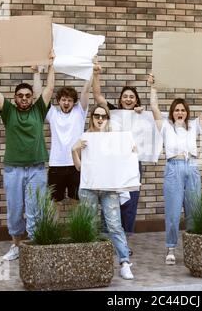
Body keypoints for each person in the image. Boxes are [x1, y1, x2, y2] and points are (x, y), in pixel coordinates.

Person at [0, 51, 55, 261]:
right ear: (15, 98)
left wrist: (51, 65)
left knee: (35, 208)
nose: (25, 98)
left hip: (36, 168)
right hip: (13, 169)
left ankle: (34, 247)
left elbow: (50, 88)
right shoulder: (8, 111)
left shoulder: (38, 111)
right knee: (15, 209)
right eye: (21, 96)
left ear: (32, 98)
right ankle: (16, 246)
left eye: (28, 95)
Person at [148, 74, 202, 265]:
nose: (180, 112)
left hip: (192, 167)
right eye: (176, 110)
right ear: (172, 113)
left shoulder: (194, 126)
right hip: (173, 168)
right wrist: (153, 87)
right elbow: (154, 108)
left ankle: (193, 246)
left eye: (182, 110)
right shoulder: (166, 127)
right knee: (173, 211)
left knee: (194, 210)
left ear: (186, 112)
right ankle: (171, 248)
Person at [71, 103, 135, 280]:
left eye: (103, 116)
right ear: (91, 118)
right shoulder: (85, 137)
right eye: (97, 116)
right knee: (90, 225)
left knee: (114, 225)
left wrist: (131, 152)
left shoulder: (114, 138)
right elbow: (78, 167)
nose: (100, 119)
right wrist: (74, 150)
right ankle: (92, 261)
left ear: (107, 119)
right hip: (89, 188)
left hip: (109, 188)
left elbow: (122, 162)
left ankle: (124, 262)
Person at [92, 61, 143, 254]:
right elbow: (97, 96)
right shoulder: (112, 113)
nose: (128, 99)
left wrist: (142, 113)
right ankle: (108, 239)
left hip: (133, 164)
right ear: (120, 100)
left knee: (130, 204)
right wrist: (96, 75)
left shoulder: (141, 115)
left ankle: (123, 243)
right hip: (113, 164)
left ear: (136, 101)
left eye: (132, 97)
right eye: (125, 96)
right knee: (111, 200)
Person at [45, 81, 91, 211]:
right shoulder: (52, 113)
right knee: (55, 203)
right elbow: (40, 95)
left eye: (70, 100)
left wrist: (91, 72)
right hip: (56, 166)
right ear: (58, 101)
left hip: (75, 165)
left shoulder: (79, 112)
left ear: (74, 102)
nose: (66, 103)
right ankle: (52, 231)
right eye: (63, 100)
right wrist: (36, 73)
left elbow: (86, 91)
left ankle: (78, 231)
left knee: (76, 201)